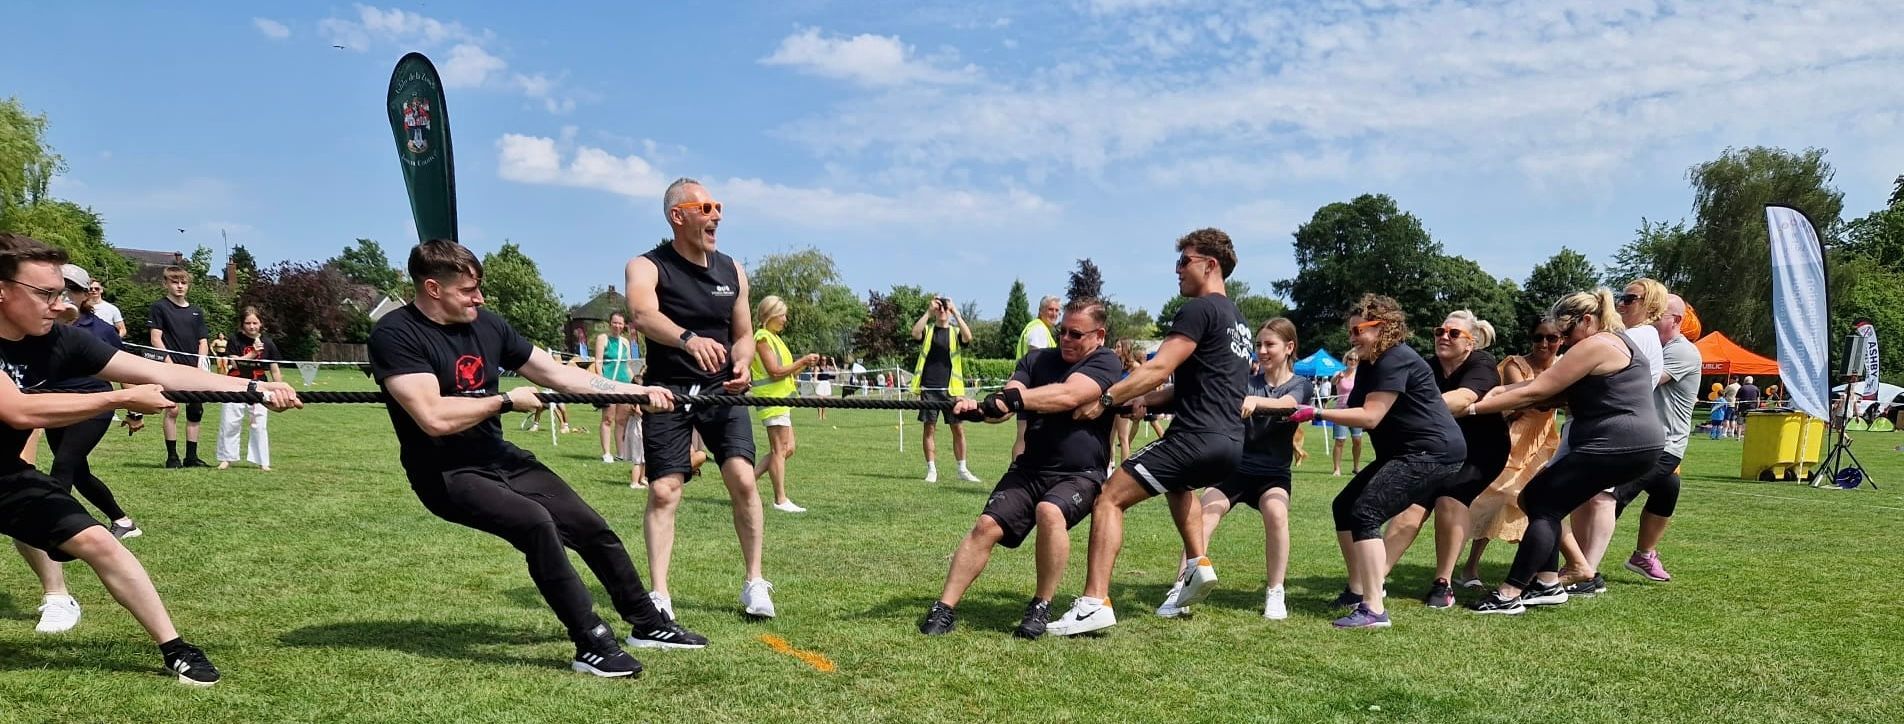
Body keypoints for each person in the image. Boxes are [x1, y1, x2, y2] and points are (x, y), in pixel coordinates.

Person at [370, 239, 705, 679]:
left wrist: (636, 391)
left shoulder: (487, 325)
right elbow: (432, 417)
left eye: (479, 288)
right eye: (468, 291)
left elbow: (557, 374)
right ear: (432, 288)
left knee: (590, 526)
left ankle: (647, 622)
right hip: (445, 472)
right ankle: (591, 642)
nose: (479, 298)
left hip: (497, 456)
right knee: (536, 524)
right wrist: (505, 401)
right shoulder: (395, 334)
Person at [1, 234, 303, 685]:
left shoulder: (59, 341)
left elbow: (161, 371)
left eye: (60, 293)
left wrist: (252, 389)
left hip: (5, 475)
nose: (58, 305)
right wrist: (119, 399)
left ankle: (175, 648)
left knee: (101, 542)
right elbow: (18, 410)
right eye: (45, 293)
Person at [1047, 228, 1250, 637]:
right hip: (1230, 444)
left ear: (1210, 265)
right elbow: (1194, 387)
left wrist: (1105, 399)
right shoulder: (1238, 323)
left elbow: (1158, 368)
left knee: (1109, 497)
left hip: (1194, 438)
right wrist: (1143, 400)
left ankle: (1094, 603)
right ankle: (1197, 565)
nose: (1177, 269)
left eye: (1184, 261)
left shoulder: (1198, 310)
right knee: (1178, 484)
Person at [919, 299, 1121, 639]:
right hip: (1030, 468)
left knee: (1049, 511)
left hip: (1080, 474)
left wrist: (1011, 400)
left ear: (1098, 336)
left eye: (1075, 334)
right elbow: (1010, 397)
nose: (1066, 339)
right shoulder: (1037, 360)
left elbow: (1070, 395)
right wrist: (980, 408)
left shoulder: (1105, 361)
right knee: (985, 525)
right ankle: (944, 607)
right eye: (1062, 331)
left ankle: (1040, 605)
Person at [626, 177, 776, 619]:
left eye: (718, 207)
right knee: (664, 490)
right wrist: (688, 339)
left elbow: (744, 334)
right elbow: (641, 314)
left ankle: (754, 582)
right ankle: (659, 595)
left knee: (744, 480)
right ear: (678, 216)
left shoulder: (732, 270)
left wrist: (743, 363)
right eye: (706, 208)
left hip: (721, 392)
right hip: (667, 391)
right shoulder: (647, 266)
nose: (717, 216)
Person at [1467, 289, 1664, 615]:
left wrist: (1471, 409)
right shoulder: (1616, 343)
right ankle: (1548, 582)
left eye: (1564, 334)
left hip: (1616, 441)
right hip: (1633, 443)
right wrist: (1498, 391)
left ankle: (1509, 593)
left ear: (1586, 320)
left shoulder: (1596, 344)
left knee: (1543, 502)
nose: (1563, 342)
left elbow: (1536, 390)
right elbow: (1551, 391)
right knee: (1535, 499)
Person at [1311, 294, 1467, 629]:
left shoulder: (1396, 358)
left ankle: (1373, 608)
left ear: (1382, 327)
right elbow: (1358, 409)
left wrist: (1315, 412)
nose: (1352, 337)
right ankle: (1358, 590)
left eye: (1358, 330)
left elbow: (1370, 416)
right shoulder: (1370, 364)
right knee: (1345, 506)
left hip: (1431, 452)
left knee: (1365, 512)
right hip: (1405, 451)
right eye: (1350, 331)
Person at [1166, 317, 1311, 620]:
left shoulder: (1300, 385)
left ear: (1289, 347)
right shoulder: (1245, 381)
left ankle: (1275, 591)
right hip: (1234, 469)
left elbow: (1288, 405)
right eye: (1258, 344)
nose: (1262, 350)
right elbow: (1206, 394)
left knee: (1277, 513)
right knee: (1205, 514)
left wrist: (1255, 401)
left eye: (1269, 344)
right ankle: (1181, 587)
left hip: (1273, 475)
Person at [1379, 310, 1510, 609]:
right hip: (1440, 448)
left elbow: (1463, 398)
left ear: (1470, 343)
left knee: (1450, 498)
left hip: (1482, 450)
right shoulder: (1427, 366)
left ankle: (1443, 583)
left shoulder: (1481, 364)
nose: (1443, 337)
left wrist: (1414, 408)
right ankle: (1374, 577)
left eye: (1453, 333)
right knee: (1413, 504)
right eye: (1439, 332)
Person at [1558, 277, 1668, 595]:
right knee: (1584, 496)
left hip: (1609, 428)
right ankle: (1580, 565)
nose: (1621, 303)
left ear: (1651, 304)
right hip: (1598, 424)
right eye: (1622, 297)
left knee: (1597, 498)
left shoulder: (1637, 336)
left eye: (1630, 298)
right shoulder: (1636, 336)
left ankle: (1586, 569)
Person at [1458, 318, 1564, 588]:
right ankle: (1468, 568)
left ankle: (1539, 570)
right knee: (1495, 500)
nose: (1544, 344)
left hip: (1545, 442)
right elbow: (1530, 399)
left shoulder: (1564, 365)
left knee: (1540, 505)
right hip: (1513, 440)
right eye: (1538, 337)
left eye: (1552, 338)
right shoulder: (1515, 365)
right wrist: (1561, 393)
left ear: (1562, 340)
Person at [1608, 294, 1700, 582]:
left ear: (1676, 320)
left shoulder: (1682, 351)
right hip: (1642, 439)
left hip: (1661, 445)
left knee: (1612, 497)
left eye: (1658, 314)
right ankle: (1643, 555)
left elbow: (1643, 380)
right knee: (1667, 489)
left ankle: (1580, 564)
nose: (1650, 318)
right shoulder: (1651, 344)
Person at [750, 295, 821, 514]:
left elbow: (785, 372)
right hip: (772, 400)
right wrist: (802, 361)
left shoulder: (774, 338)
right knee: (779, 450)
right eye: (782, 315)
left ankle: (746, 482)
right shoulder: (762, 338)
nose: (785, 320)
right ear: (770, 315)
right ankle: (780, 499)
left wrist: (804, 365)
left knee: (788, 448)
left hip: (781, 400)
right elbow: (774, 372)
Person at [911, 294, 980, 483]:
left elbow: (968, 337)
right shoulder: (928, 330)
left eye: (945, 308)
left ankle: (962, 469)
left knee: (958, 429)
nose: (942, 311)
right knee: (929, 429)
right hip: (929, 388)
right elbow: (915, 334)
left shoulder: (955, 332)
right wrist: (928, 312)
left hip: (952, 390)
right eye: (940, 308)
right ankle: (931, 470)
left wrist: (955, 311)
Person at [147, 265, 209, 468]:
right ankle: (172, 457)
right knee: (172, 409)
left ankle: (191, 457)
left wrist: (201, 364)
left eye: (183, 282)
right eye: (175, 282)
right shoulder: (159, 307)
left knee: (195, 411)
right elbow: (155, 338)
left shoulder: (196, 311)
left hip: (194, 369)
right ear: (166, 283)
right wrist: (168, 364)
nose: (180, 286)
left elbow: (203, 341)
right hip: (170, 367)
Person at [215, 307, 282, 472]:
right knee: (230, 421)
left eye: (255, 323)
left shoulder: (268, 343)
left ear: (261, 324)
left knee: (259, 423)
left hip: (259, 385)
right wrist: (252, 353)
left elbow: (274, 369)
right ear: (242, 324)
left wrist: (279, 388)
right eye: (248, 323)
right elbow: (234, 363)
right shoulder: (234, 340)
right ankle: (226, 458)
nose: (252, 326)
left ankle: (262, 461)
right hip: (235, 383)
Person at [1011, 295, 1062, 460]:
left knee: (1024, 435)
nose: (1054, 313)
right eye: (1050, 309)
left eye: (1057, 310)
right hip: (1033, 391)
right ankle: (1017, 471)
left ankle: (1018, 470)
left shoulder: (1038, 328)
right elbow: (1037, 360)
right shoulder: (1039, 330)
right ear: (1041, 311)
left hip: (1027, 389)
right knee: (1025, 436)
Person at [595, 312, 637, 464]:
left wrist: (634, 384)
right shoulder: (603, 338)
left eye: (620, 323)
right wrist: (602, 383)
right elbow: (598, 362)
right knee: (608, 419)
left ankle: (621, 453)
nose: (617, 326)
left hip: (624, 383)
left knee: (621, 420)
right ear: (610, 323)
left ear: (624, 325)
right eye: (615, 322)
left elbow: (628, 365)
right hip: (609, 383)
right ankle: (607, 453)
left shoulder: (625, 342)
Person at [1109, 339, 1146, 473]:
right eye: (1116, 346)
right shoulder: (1117, 364)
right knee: (1110, 437)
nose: (1116, 349)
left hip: (1125, 403)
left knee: (1123, 438)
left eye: (1119, 346)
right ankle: (1111, 466)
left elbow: (1143, 381)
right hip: (1113, 404)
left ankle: (1124, 471)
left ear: (1125, 348)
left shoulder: (1135, 366)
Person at [1330, 350, 1364, 476]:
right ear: (1346, 360)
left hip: (1356, 411)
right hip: (1341, 411)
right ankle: (1337, 469)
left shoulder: (1360, 375)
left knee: (1357, 440)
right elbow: (1333, 382)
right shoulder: (1340, 373)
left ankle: (1356, 467)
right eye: (1351, 359)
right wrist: (1337, 378)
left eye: (1356, 359)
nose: (1353, 361)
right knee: (1340, 441)